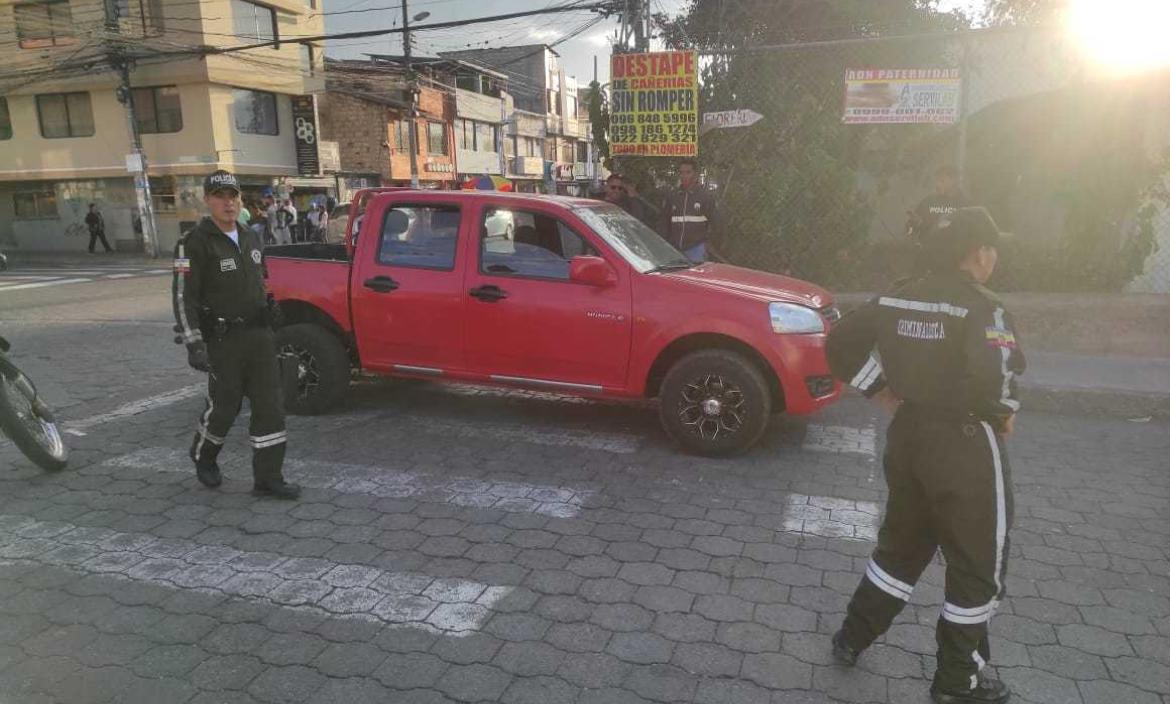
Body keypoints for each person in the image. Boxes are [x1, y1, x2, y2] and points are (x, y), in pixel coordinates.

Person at [825, 207, 1024, 704]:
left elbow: (840, 342)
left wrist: (879, 391)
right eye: (992, 249)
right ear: (977, 252)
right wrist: (1003, 412)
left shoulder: (898, 293)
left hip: (909, 435)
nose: (994, 258)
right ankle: (958, 681)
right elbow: (994, 377)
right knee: (979, 566)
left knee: (900, 550)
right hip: (965, 445)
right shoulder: (984, 306)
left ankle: (851, 638)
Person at [172, 170, 301, 500]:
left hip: (259, 337)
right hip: (223, 340)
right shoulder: (194, 242)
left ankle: (268, 478)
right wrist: (193, 342)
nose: (228, 202)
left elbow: (263, 280)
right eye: (220, 196)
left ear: (240, 200)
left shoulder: (250, 236)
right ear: (208, 200)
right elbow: (183, 296)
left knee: (271, 406)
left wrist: (271, 308)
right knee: (225, 407)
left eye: (233, 196)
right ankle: (204, 456)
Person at [908, 166, 971, 274]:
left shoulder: (965, 204)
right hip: (927, 262)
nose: (937, 185)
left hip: (955, 262)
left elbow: (969, 231)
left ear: (954, 181)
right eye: (937, 181)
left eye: (942, 181)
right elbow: (911, 227)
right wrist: (913, 226)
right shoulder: (928, 201)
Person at [660, 158, 716, 263]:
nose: (684, 176)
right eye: (681, 172)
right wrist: (665, 243)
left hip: (696, 249)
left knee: (695, 278)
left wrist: (708, 244)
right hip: (674, 249)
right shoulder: (673, 196)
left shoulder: (706, 197)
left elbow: (716, 223)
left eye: (688, 172)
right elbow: (664, 222)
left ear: (695, 174)